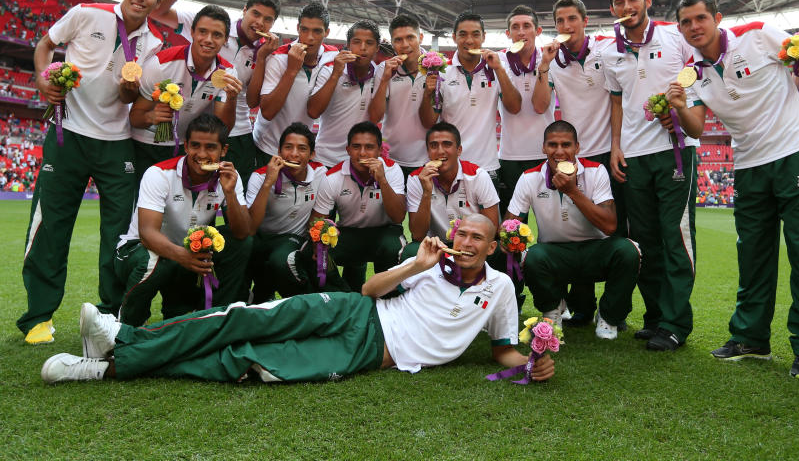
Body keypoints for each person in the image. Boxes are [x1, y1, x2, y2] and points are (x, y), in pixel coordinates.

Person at [40, 215, 555, 385]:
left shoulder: (500, 287)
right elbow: (370, 289)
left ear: (492, 247)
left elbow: (503, 350)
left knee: (249, 363)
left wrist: (534, 362)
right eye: (459, 233)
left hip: (372, 354)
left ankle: (104, 369)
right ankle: (122, 337)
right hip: (358, 310)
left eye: (475, 239)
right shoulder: (427, 261)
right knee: (241, 318)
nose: (463, 243)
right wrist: (416, 265)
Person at [669, 0, 799, 380]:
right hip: (748, 165)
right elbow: (696, 126)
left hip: (795, 153)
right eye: (686, 22)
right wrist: (678, 107)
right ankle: (751, 338)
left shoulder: (759, 33)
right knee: (753, 255)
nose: (694, 27)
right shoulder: (691, 72)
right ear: (680, 28)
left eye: (700, 18)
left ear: (717, 17)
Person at [20, 0, 168, 344]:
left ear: (156, 1)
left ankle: (110, 313)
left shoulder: (153, 44)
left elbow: (126, 100)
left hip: (117, 141)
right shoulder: (87, 13)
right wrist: (42, 81)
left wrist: (130, 88)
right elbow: (44, 46)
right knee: (51, 224)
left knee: (118, 231)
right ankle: (39, 317)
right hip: (67, 131)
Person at [602, 0, 699, 351]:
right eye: (619, 2)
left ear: (647, 1)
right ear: (612, 9)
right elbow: (616, 102)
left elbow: (697, 75)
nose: (627, 7)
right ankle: (656, 317)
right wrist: (614, 145)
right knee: (645, 242)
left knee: (675, 238)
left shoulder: (676, 36)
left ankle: (676, 324)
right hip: (634, 155)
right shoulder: (611, 52)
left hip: (675, 149)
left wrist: (681, 101)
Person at [505, 120, 640, 340]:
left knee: (627, 251)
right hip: (554, 253)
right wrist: (509, 235)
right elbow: (510, 226)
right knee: (532, 257)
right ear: (543, 148)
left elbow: (609, 225)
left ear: (577, 147)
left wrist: (573, 191)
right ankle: (553, 309)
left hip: (596, 250)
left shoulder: (596, 171)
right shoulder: (529, 177)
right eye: (552, 145)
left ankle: (608, 317)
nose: (559, 151)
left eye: (566, 145)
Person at [114, 114, 253, 327]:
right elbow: (147, 233)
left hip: (186, 255)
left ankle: (217, 316)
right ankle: (128, 325)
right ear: (186, 146)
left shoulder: (228, 177)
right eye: (195, 145)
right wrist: (183, 256)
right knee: (154, 262)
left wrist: (230, 193)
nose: (202, 154)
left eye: (211, 147)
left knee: (240, 243)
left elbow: (243, 232)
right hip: (141, 251)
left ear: (223, 150)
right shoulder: (159, 174)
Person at [537, 0, 622, 326]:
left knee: (613, 231)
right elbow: (542, 104)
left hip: (605, 153)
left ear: (585, 21)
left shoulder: (604, 51)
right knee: (578, 229)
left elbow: (617, 100)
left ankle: (615, 311)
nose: (566, 26)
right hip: (573, 156)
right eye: (560, 21)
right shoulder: (553, 62)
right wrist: (543, 66)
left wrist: (616, 145)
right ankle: (583, 308)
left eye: (572, 19)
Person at [150, 0, 282, 184]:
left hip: (238, 133)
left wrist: (263, 57)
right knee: (199, 196)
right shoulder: (215, 25)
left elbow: (252, 101)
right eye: (256, 14)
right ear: (245, 10)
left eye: (268, 19)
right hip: (199, 134)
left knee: (238, 200)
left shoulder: (267, 51)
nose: (260, 23)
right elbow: (157, 10)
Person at [286, 121, 406, 293]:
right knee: (312, 253)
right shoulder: (334, 176)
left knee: (396, 248)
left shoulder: (392, 169)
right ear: (348, 149)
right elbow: (317, 220)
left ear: (380, 150)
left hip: (384, 232)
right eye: (356, 147)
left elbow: (398, 217)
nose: (362, 153)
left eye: (369, 147)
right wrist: (317, 245)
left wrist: (382, 180)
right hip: (349, 233)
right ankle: (343, 296)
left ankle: (388, 300)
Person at [129, 5, 243, 182]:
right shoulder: (161, 64)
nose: (208, 40)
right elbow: (134, 118)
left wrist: (232, 99)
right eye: (203, 32)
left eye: (217, 35)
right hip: (146, 144)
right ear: (192, 32)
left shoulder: (227, 74)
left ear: (226, 39)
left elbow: (223, 128)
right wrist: (151, 117)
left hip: (184, 149)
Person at [244, 122, 347, 302]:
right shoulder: (260, 176)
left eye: (302, 148)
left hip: (296, 240)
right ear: (279, 151)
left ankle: (314, 304)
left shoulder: (321, 173)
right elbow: (251, 227)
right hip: (263, 240)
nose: (293, 154)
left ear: (312, 154)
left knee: (283, 260)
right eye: (288, 147)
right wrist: (268, 182)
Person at [418, 11, 521, 174]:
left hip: (487, 167)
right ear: (454, 37)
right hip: (450, 166)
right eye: (463, 34)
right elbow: (428, 122)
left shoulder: (497, 68)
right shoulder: (442, 72)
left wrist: (499, 70)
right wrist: (426, 94)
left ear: (483, 37)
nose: (469, 41)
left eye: (475, 34)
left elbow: (515, 107)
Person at [252, 1, 337, 168]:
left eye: (317, 31)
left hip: (300, 153)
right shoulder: (278, 58)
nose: (310, 37)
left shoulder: (332, 56)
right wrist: (291, 71)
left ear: (326, 32)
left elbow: (314, 112)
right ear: (298, 28)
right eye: (305, 29)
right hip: (269, 148)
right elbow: (267, 112)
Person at [496, 5, 557, 216]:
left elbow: (540, 106)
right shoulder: (498, 62)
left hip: (545, 154)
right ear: (508, 33)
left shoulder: (550, 57)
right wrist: (499, 71)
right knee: (511, 223)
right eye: (515, 27)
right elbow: (513, 107)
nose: (521, 32)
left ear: (537, 31)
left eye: (527, 26)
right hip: (510, 155)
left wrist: (544, 66)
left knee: (550, 219)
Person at [403, 122, 500, 252]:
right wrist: (427, 192)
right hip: (435, 246)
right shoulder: (416, 179)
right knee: (411, 251)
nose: (440, 151)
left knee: (498, 250)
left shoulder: (477, 176)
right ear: (427, 151)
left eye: (447, 144)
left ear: (459, 150)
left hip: (471, 244)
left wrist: (466, 244)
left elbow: (491, 228)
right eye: (433, 145)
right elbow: (418, 234)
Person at [308, 20, 383, 166]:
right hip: (325, 158)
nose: (362, 48)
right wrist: (336, 74)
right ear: (348, 45)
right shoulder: (330, 70)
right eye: (357, 42)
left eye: (369, 43)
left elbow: (376, 118)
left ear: (376, 48)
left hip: (359, 161)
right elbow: (313, 112)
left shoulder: (379, 74)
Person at [368, 14, 430, 180]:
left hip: (428, 159)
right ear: (392, 43)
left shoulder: (436, 66)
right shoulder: (384, 69)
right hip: (391, 158)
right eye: (398, 40)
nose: (405, 45)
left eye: (410, 37)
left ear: (421, 37)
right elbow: (374, 116)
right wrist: (385, 80)